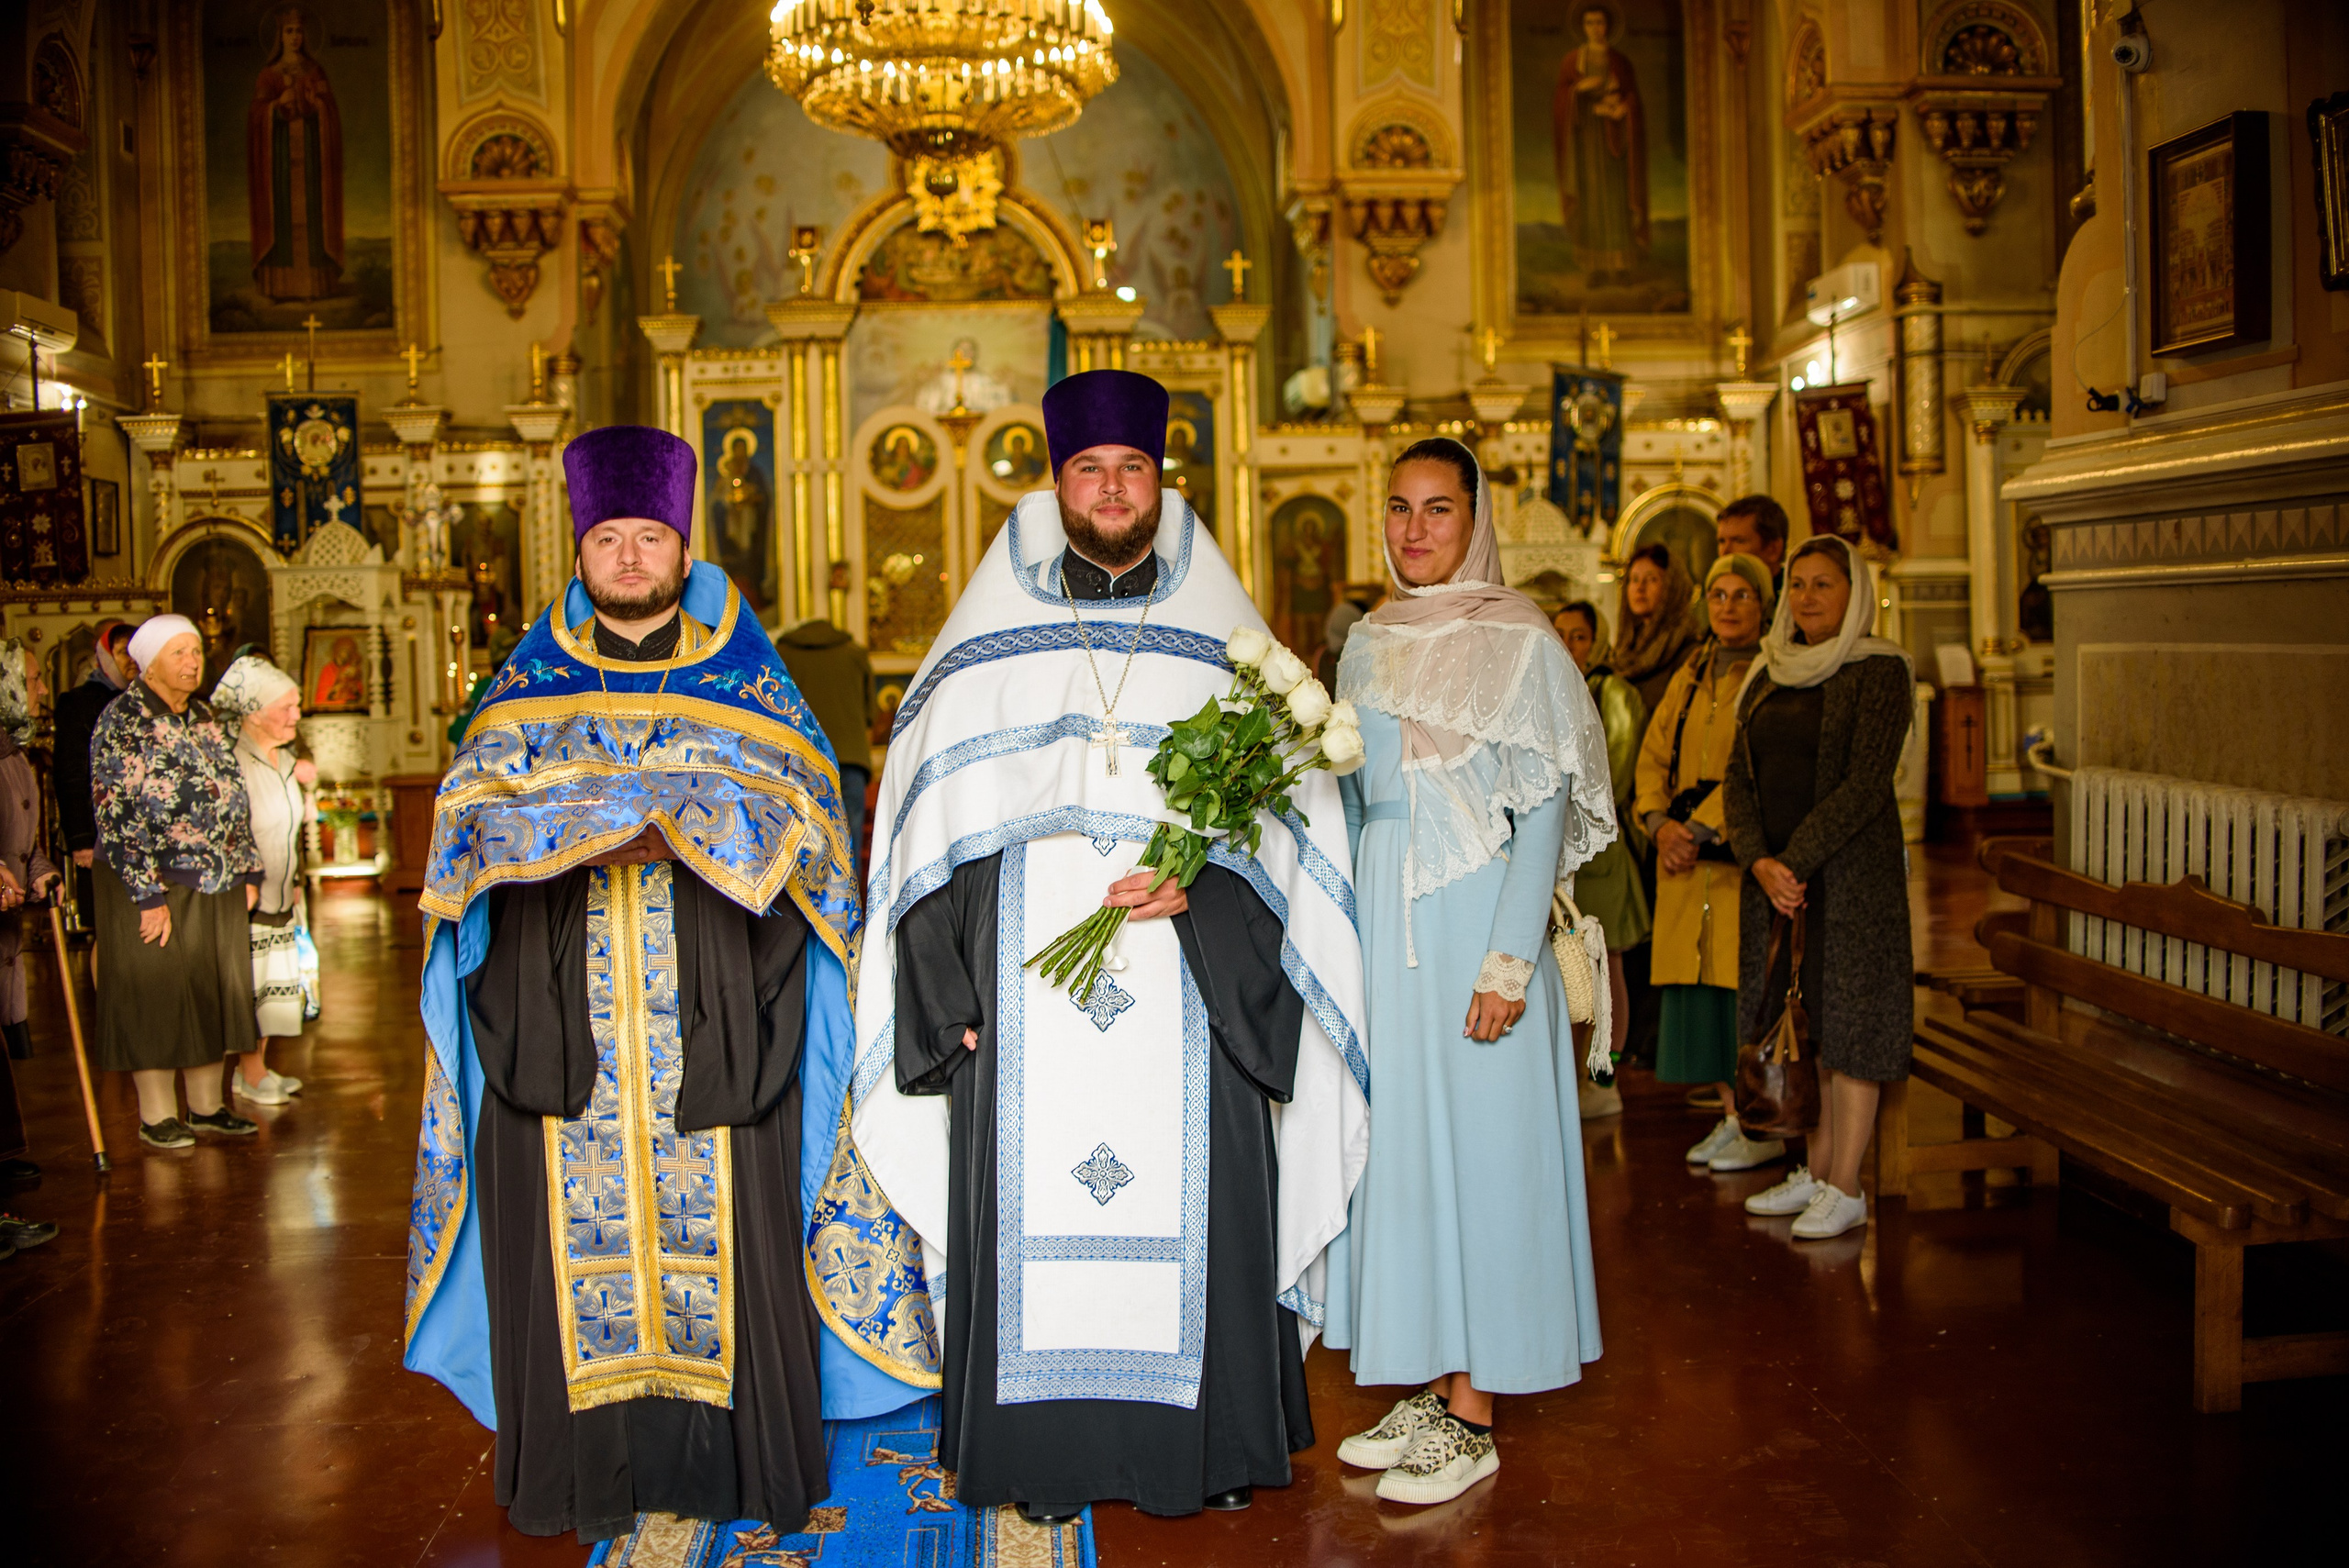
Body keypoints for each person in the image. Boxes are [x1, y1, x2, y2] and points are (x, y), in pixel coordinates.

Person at [850, 369, 1367, 1524]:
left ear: (1160, 479)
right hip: (1020, 997)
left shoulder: (1224, 641)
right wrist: (942, 1002)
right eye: (1090, 468)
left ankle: (1211, 1446)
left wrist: (1207, 889)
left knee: (1206, 1193)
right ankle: (1034, 1455)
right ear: (1057, 480)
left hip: (1190, 991)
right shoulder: (983, 642)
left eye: (1132, 467)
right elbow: (926, 837)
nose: (1112, 488)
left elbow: (1291, 838)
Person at [402, 424, 903, 1542]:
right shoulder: (520, 695)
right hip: (556, 1020)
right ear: (579, 551)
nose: (629, 558)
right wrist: (578, 837)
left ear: (684, 549)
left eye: (650, 538)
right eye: (609, 539)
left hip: (721, 1013)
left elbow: (817, 826)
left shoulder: (752, 690)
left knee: (730, 1230)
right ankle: (582, 1473)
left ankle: (739, 1463)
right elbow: (462, 839)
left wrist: (693, 836)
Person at [1326, 437, 1614, 1507]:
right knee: (1409, 1159)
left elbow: (1538, 815)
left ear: (1474, 517)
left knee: (1488, 1162)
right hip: (1384, 925)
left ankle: (1479, 1410)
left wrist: (1507, 963)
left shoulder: (1520, 641)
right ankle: (1435, 1383)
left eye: (1437, 509)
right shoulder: (1366, 640)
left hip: (1475, 928)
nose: (1413, 529)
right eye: (1398, 507)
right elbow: (1353, 798)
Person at [1723, 536, 1914, 1241]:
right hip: (1778, 883)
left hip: (1850, 881)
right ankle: (1813, 1166)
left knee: (1851, 1029)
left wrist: (1793, 860)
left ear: (1854, 593)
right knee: (1797, 1024)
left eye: (1823, 584)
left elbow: (1865, 782)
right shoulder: (1768, 673)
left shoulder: (1881, 671)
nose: (1805, 597)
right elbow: (1737, 776)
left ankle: (1847, 1184)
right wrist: (1758, 859)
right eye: (1796, 584)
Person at [90, 615, 262, 1151]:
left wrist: (248, 866)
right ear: (147, 662)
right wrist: (146, 894)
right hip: (151, 881)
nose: (193, 662)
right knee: (158, 995)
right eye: (179, 653)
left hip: (216, 877)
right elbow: (114, 810)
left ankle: (207, 1107)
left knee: (212, 990)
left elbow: (231, 790)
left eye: (196, 651)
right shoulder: (123, 719)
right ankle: (157, 1115)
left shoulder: (205, 714)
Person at [1638, 556, 1774, 1159]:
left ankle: (1759, 1121)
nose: (1728, 606)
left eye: (1742, 594)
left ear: (1764, 605)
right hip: (1683, 861)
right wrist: (1659, 822)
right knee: (1696, 996)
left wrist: (1699, 827)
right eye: (1718, 594)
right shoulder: (1692, 670)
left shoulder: (1773, 672)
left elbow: (1758, 763)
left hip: (1733, 855)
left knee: (1739, 993)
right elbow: (1652, 751)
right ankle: (1729, 1110)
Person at [1553, 600, 1648, 1107]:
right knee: (1569, 969)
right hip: (1559, 852)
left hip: (1601, 852)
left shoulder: (1615, 694)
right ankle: (1574, 1077)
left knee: (1605, 968)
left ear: (1599, 641)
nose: (1570, 644)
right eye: (1561, 633)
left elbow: (1620, 772)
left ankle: (1605, 1077)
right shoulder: (1549, 690)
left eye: (1581, 636)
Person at [211, 656, 313, 1106]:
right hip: (247, 894)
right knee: (251, 984)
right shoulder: (231, 761)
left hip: (280, 888)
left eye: (297, 705)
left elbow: (292, 827)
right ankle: (249, 1074)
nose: (296, 715)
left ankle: (257, 1068)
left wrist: (294, 878)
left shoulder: (287, 759)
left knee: (274, 982)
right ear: (254, 711)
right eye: (286, 706)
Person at [0, 641, 62, 1215]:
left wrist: (40, 869)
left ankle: (4, 1153)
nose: (41, 689)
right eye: (33, 678)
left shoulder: (14, 754)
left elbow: (26, 841)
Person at [774, 562, 874, 872]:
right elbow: (870, 714)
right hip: (850, 762)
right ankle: (851, 913)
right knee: (850, 840)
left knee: (804, 840)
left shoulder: (784, 654)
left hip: (801, 762)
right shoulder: (854, 653)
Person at [53, 618, 134, 931]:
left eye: (135, 651)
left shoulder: (142, 700)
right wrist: (81, 839)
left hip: (137, 833)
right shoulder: (80, 702)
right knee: (107, 927)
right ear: (104, 655)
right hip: (98, 834)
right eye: (122, 652)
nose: (131, 660)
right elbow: (71, 771)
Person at [1610, 542, 1699, 731]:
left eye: (1651, 579)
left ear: (1671, 587)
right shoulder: (1624, 648)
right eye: (1634, 580)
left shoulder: (1687, 651)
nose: (1640, 588)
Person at [1713, 495, 1790, 592]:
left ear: (1773, 549)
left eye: (1739, 541)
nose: (1725, 552)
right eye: (1722, 541)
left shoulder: (1795, 600)